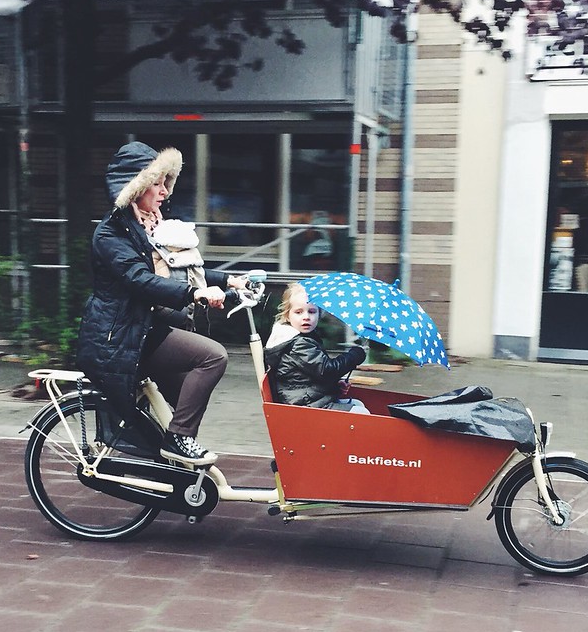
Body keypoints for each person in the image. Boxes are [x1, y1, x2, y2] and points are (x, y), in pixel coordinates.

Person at [76, 141, 245, 466]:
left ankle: (173, 468)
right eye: (156, 182)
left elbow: (177, 267)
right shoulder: (111, 234)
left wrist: (227, 280)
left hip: (147, 328)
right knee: (213, 358)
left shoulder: (146, 225)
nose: (164, 190)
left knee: (187, 397)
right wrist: (193, 294)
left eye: (166, 181)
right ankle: (178, 441)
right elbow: (140, 279)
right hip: (124, 337)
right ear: (134, 186)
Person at [264, 282, 369, 412]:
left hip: (309, 398)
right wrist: (354, 355)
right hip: (303, 404)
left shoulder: (303, 338)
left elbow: (313, 375)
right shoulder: (298, 344)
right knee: (360, 412)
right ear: (287, 315)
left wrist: (335, 386)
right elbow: (327, 370)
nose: (306, 317)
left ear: (319, 314)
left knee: (358, 405)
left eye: (312, 311)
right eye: (298, 312)